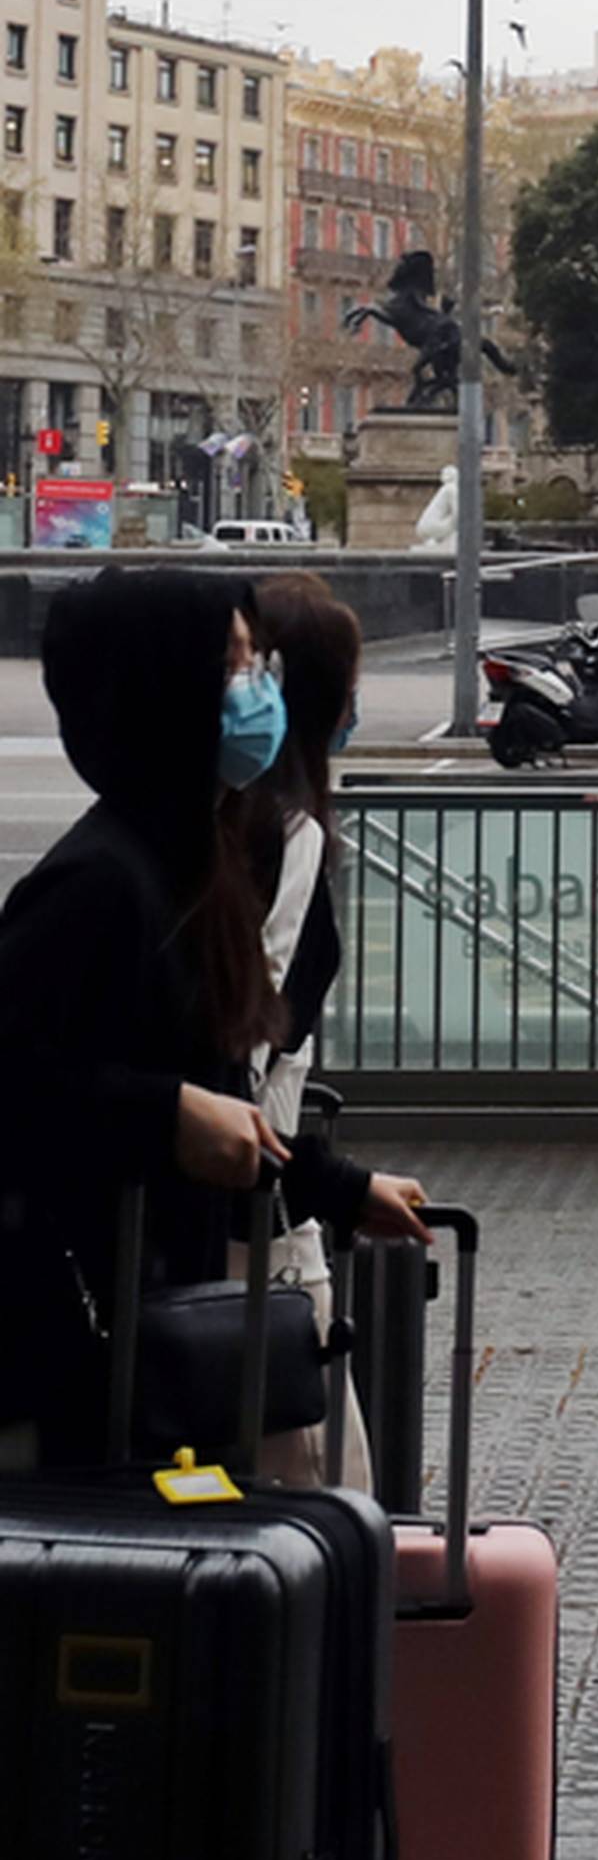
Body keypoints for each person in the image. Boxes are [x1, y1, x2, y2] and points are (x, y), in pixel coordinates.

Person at [0, 565, 425, 1464]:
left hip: (156, 1333)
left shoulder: (195, 860)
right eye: (233, 666)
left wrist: (340, 1189)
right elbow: (25, 1082)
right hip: (73, 1357)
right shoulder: (96, 885)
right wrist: (163, 1116)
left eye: (258, 663)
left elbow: (225, 1086)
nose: (259, 690)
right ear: (163, 690)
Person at [233, 571, 381, 1492]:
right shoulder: (290, 835)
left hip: (242, 1210)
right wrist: (331, 1180)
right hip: (265, 1230)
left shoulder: (215, 821)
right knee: (324, 1495)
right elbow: (245, 1055)